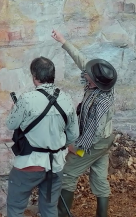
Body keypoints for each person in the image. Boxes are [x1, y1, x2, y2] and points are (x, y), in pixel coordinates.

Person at [51, 29, 117, 217]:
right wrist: (63, 41)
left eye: (88, 74)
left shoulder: (102, 103)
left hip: (96, 143)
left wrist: (75, 147)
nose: (84, 73)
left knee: (69, 171)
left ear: (95, 82)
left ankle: (62, 213)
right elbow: (82, 61)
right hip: (105, 141)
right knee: (99, 176)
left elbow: (93, 133)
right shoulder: (101, 82)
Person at [6, 57, 79, 217]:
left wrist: (14, 109)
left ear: (34, 76)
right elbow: (73, 134)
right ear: (53, 75)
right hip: (56, 165)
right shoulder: (66, 99)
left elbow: (11, 124)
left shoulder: (26, 99)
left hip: (29, 164)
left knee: (15, 209)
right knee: (49, 210)